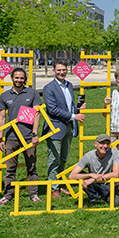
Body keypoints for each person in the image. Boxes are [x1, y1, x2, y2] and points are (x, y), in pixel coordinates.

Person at [0, 68, 42, 206]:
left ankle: (34, 194)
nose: (19, 80)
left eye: (21, 78)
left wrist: (34, 134)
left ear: (25, 79)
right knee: (10, 168)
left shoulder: (32, 93)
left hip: (28, 136)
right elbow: (2, 117)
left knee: (31, 167)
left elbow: (37, 114)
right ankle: (7, 195)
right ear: (12, 78)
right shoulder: (5, 96)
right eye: (16, 78)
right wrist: (1, 138)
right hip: (11, 137)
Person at [42, 61, 85, 199]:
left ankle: (59, 184)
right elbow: (52, 109)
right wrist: (74, 116)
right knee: (54, 159)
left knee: (63, 158)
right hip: (55, 128)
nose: (62, 72)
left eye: (64, 70)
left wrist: (78, 109)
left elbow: (68, 106)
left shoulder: (69, 85)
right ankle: (53, 188)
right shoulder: (48, 88)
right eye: (59, 70)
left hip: (68, 127)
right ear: (53, 71)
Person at [68, 134, 119, 206]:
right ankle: (94, 197)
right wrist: (90, 175)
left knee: (115, 203)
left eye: (107, 144)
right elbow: (71, 176)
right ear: (96, 144)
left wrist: (93, 179)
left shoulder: (114, 152)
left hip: (108, 183)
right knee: (81, 175)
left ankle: (105, 196)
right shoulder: (88, 156)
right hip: (95, 185)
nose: (105, 146)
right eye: (102, 143)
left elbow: (116, 174)